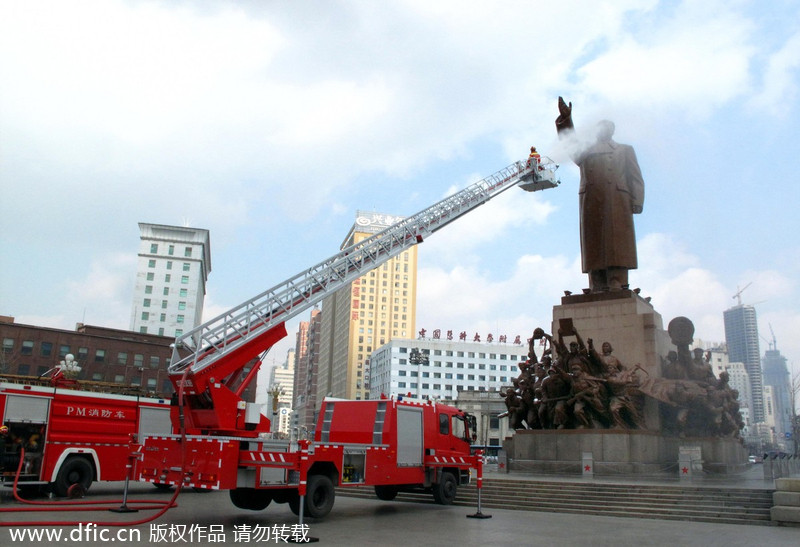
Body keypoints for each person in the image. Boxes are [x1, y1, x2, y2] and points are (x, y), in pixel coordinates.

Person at [556, 97, 645, 292]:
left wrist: (637, 200)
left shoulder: (624, 150)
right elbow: (569, 144)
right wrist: (565, 121)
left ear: (612, 132)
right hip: (592, 200)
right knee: (594, 242)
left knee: (617, 242)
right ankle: (596, 281)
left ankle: (617, 280)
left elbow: (635, 176)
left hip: (617, 199)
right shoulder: (585, 151)